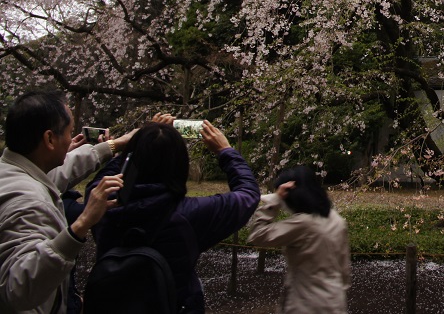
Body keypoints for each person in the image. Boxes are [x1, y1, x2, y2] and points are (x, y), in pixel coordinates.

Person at [85, 117, 260, 313]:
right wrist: (225, 151)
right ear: (180, 164)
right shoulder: (189, 215)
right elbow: (248, 195)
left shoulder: (101, 205)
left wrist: (140, 142)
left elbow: (101, 181)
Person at [0, 92, 131, 314]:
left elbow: (58, 173)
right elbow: (18, 288)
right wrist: (82, 224)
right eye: (70, 132)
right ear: (49, 139)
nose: (72, 140)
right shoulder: (29, 202)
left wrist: (113, 145)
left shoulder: (13, 170)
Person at [247, 166, 350, 313]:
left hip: (306, 303)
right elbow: (344, 270)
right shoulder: (337, 220)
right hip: (335, 300)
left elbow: (258, 235)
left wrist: (275, 200)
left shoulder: (303, 224)